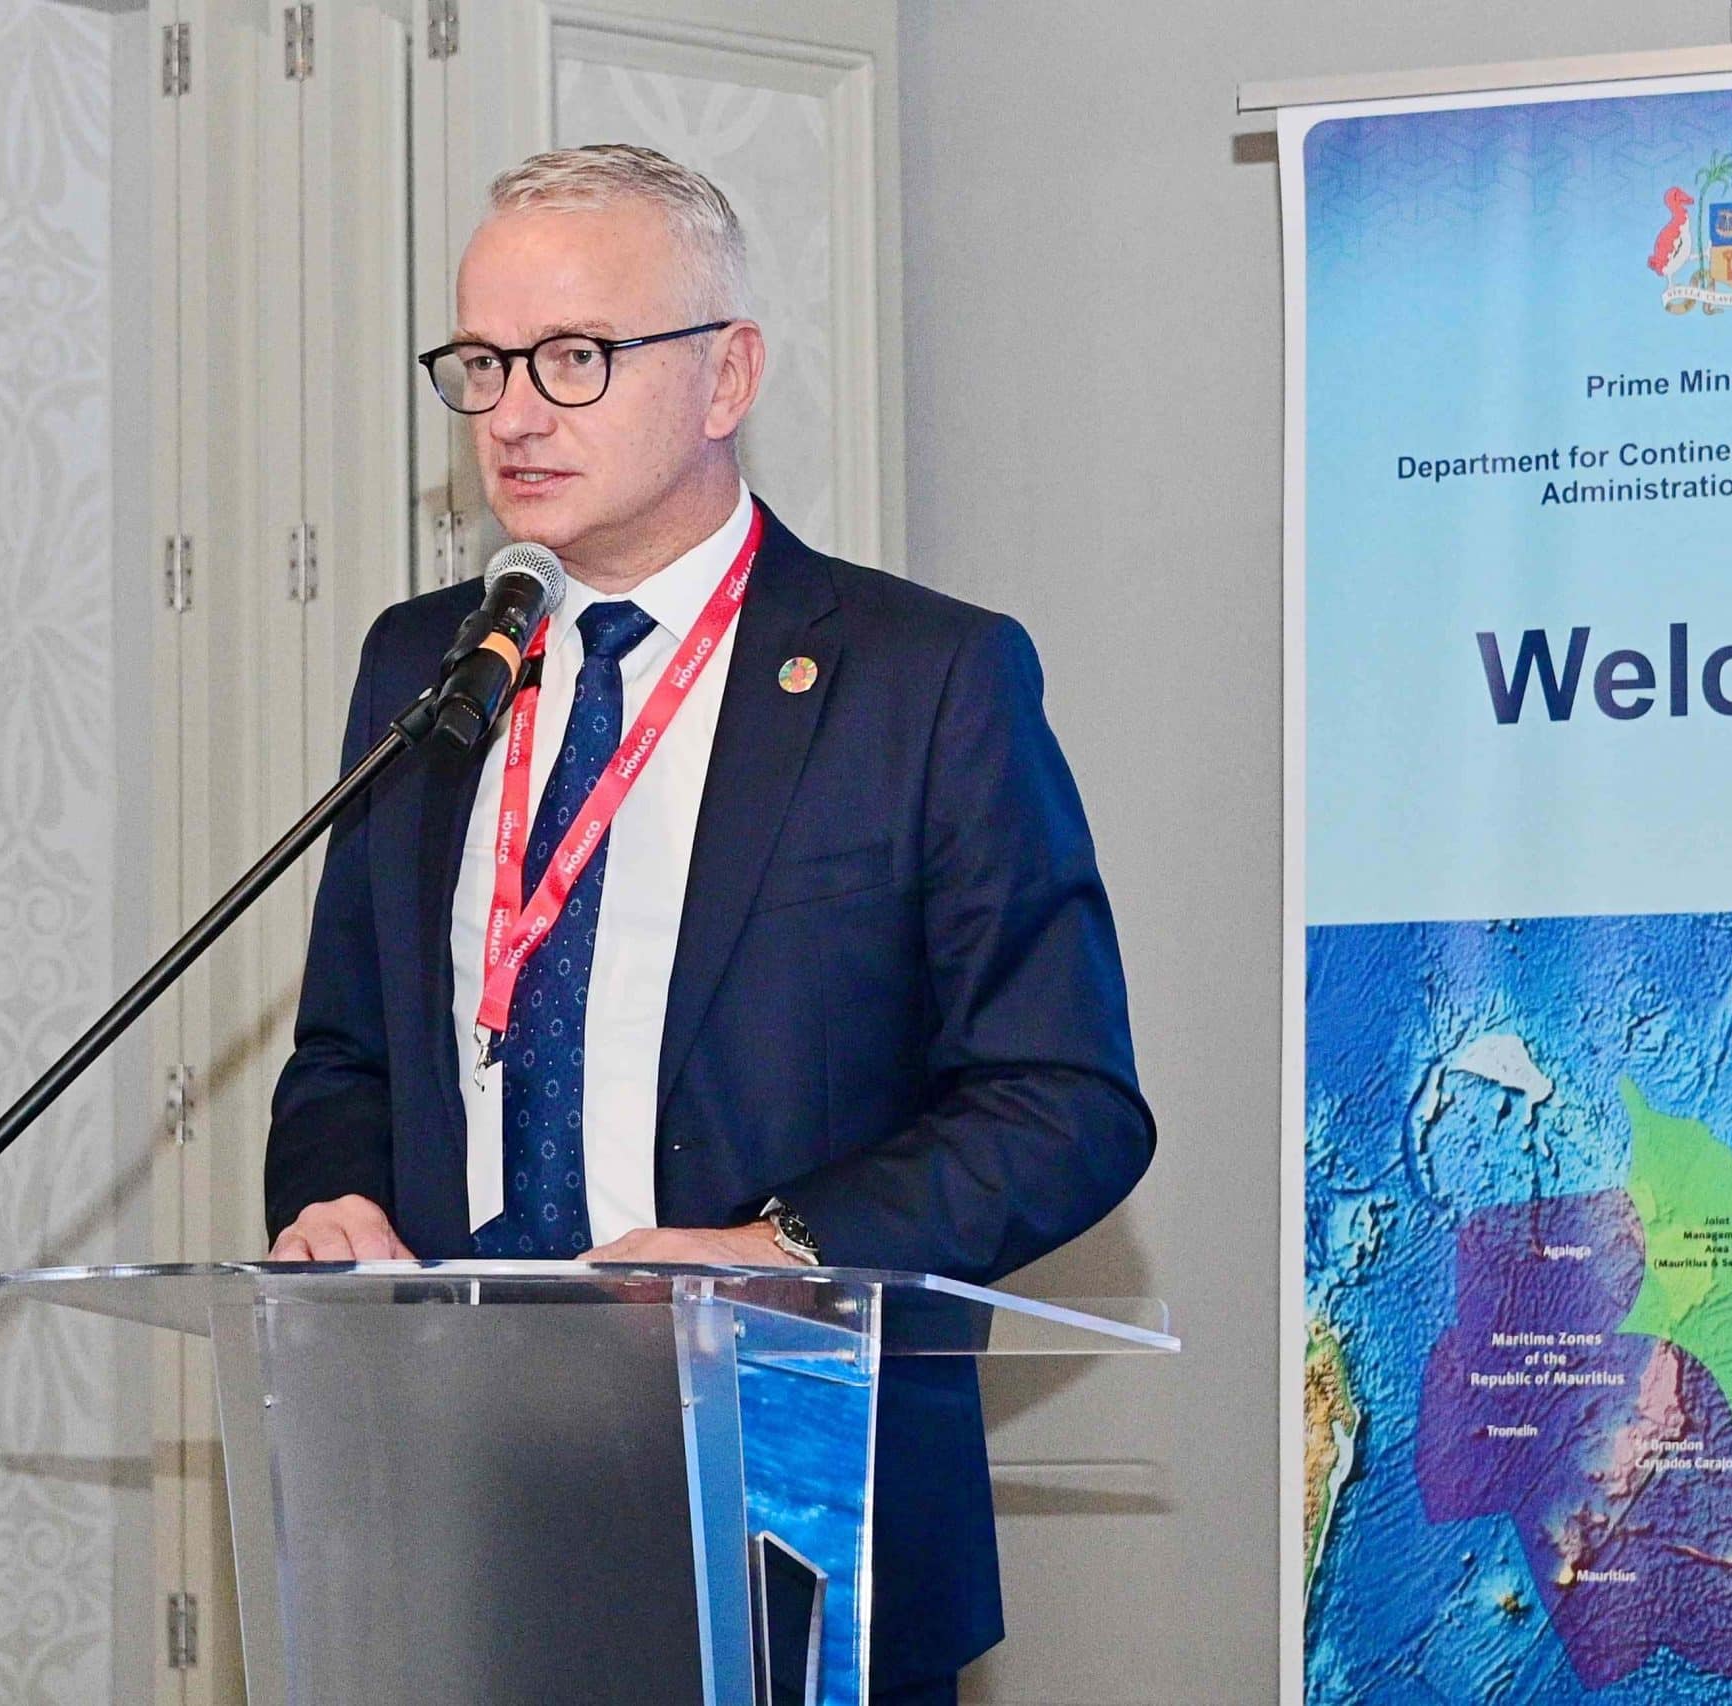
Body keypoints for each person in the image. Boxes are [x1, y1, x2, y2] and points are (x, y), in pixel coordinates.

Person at [262, 142, 1153, 1704]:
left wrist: (780, 1247)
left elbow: (1064, 1102)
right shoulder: (429, 665)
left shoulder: (918, 676)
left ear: (727, 372)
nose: (514, 412)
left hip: (790, 1491)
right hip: (455, 1496)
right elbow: (346, 1049)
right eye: (482, 363)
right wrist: (335, 1193)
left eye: (575, 358)